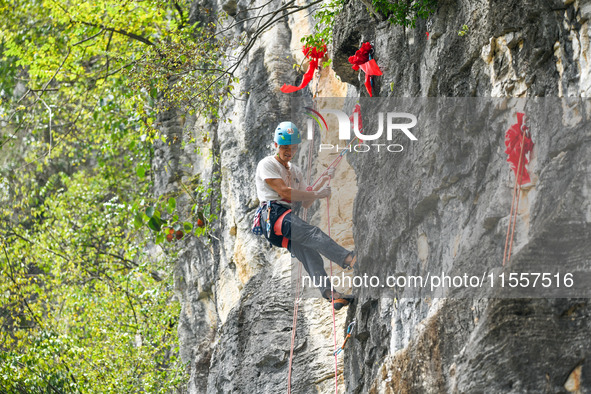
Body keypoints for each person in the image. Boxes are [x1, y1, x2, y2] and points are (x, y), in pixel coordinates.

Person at [254, 121, 356, 309]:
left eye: (292, 148)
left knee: (311, 256)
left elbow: (306, 201)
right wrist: (317, 193)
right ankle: (350, 259)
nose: (288, 151)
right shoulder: (267, 164)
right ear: (276, 145)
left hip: (284, 221)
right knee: (312, 233)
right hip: (273, 215)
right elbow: (285, 193)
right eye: (284, 147)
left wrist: (325, 179)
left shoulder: (296, 171)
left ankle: (331, 295)